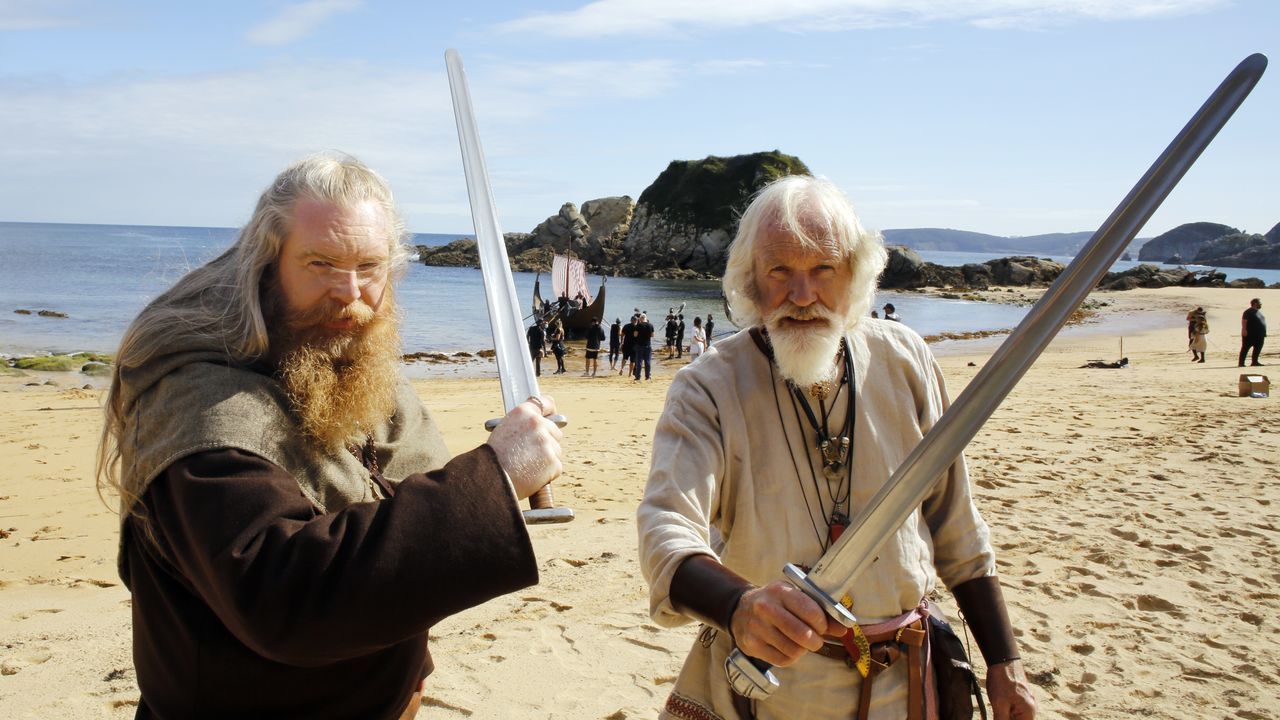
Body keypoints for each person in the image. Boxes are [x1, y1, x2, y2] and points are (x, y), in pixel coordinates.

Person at [96, 154, 564, 719]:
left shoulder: (344, 353)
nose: (350, 292)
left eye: (370, 266)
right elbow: (286, 596)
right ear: (267, 264)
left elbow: (407, 504)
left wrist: (485, 479)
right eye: (320, 263)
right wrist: (497, 476)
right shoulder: (201, 406)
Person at [637, 176, 1035, 720]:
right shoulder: (707, 388)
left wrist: (1003, 660)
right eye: (780, 271)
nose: (802, 297)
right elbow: (666, 529)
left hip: (905, 685)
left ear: (856, 275)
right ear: (750, 279)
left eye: (823, 269)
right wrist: (738, 605)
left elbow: (956, 524)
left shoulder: (905, 359)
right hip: (768, 692)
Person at [1239, 297, 1266, 367]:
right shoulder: (1248, 312)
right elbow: (1244, 321)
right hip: (1250, 334)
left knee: (1258, 348)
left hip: (1260, 335)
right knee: (1245, 348)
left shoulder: (1258, 311)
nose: (1261, 304)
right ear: (1255, 303)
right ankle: (1241, 363)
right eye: (1260, 303)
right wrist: (1244, 330)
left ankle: (1255, 362)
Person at [633, 312, 655, 381]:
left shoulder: (638, 325)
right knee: (647, 361)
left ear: (640, 319)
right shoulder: (651, 325)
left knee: (639, 361)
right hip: (648, 345)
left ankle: (638, 377)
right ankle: (647, 376)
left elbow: (635, 335)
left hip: (639, 345)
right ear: (646, 318)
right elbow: (652, 335)